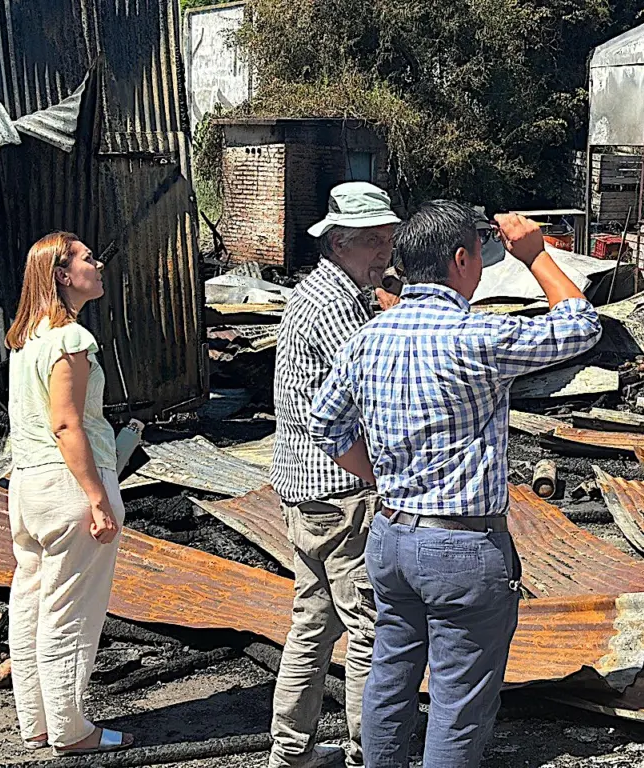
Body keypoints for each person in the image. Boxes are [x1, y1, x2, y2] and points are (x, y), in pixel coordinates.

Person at [310, 202, 602, 767]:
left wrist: (385, 478)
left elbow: (324, 424)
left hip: (390, 539)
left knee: (389, 680)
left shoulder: (370, 336)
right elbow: (580, 325)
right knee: (457, 702)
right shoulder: (476, 334)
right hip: (462, 548)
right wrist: (536, 253)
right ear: (462, 259)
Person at [268, 181, 400, 768]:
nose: (385, 253)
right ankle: (368, 752)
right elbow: (372, 385)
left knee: (312, 623)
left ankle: (290, 753)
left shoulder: (323, 293)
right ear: (340, 243)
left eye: (388, 240)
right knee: (368, 629)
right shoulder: (335, 306)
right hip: (340, 488)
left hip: (306, 490)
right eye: (375, 242)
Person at [4, 232, 134, 757]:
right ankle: (71, 729)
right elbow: (67, 424)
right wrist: (99, 497)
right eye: (85, 257)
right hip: (69, 484)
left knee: (32, 604)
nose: (97, 263)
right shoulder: (70, 340)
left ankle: (37, 722)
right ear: (62, 274)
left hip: (28, 486)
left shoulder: (27, 338)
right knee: (71, 613)